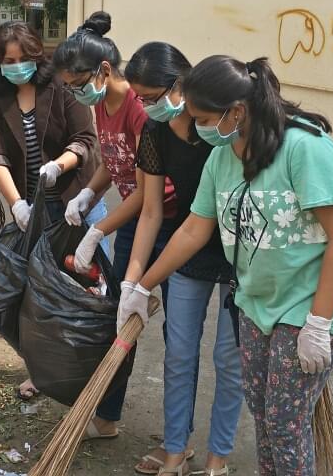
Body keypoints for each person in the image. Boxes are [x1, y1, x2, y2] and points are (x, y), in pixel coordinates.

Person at [121, 55, 333, 476]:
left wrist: (319, 324)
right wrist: (142, 287)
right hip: (258, 300)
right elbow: (192, 231)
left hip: (312, 302)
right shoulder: (223, 156)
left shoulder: (305, 148)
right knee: (261, 409)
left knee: (285, 423)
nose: (196, 128)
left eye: (202, 118)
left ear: (236, 111)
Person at [51, 12, 178, 448]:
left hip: (169, 223)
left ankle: (177, 439)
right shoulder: (101, 105)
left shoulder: (141, 110)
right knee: (119, 317)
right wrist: (88, 193)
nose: (74, 92)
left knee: (174, 332)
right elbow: (113, 159)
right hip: (134, 220)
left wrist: (97, 229)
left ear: (103, 70)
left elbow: (149, 194)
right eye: (68, 86)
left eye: (77, 82)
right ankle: (106, 416)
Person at [123, 43, 244, 476]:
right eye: (140, 98)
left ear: (180, 85)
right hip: (186, 247)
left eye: (153, 97)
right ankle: (176, 449)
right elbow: (152, 210)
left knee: (230, 360)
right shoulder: (154, 133)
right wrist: (133, 282)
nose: (146, 106)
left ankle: (218, 457)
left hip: (237, 252)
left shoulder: (220, 127)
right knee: (178, 352)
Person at [0, 19, 108, 402]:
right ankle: (42, 370)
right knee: (33, 295)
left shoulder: (61, 88)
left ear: (36, 57)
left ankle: (88, 374)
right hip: (31, 209)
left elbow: (85, 139)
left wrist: (59, 166)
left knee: (81, 292)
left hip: (74, 202)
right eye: (7, 60)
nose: (15, 66)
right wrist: (15, 203)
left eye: (21, 58)